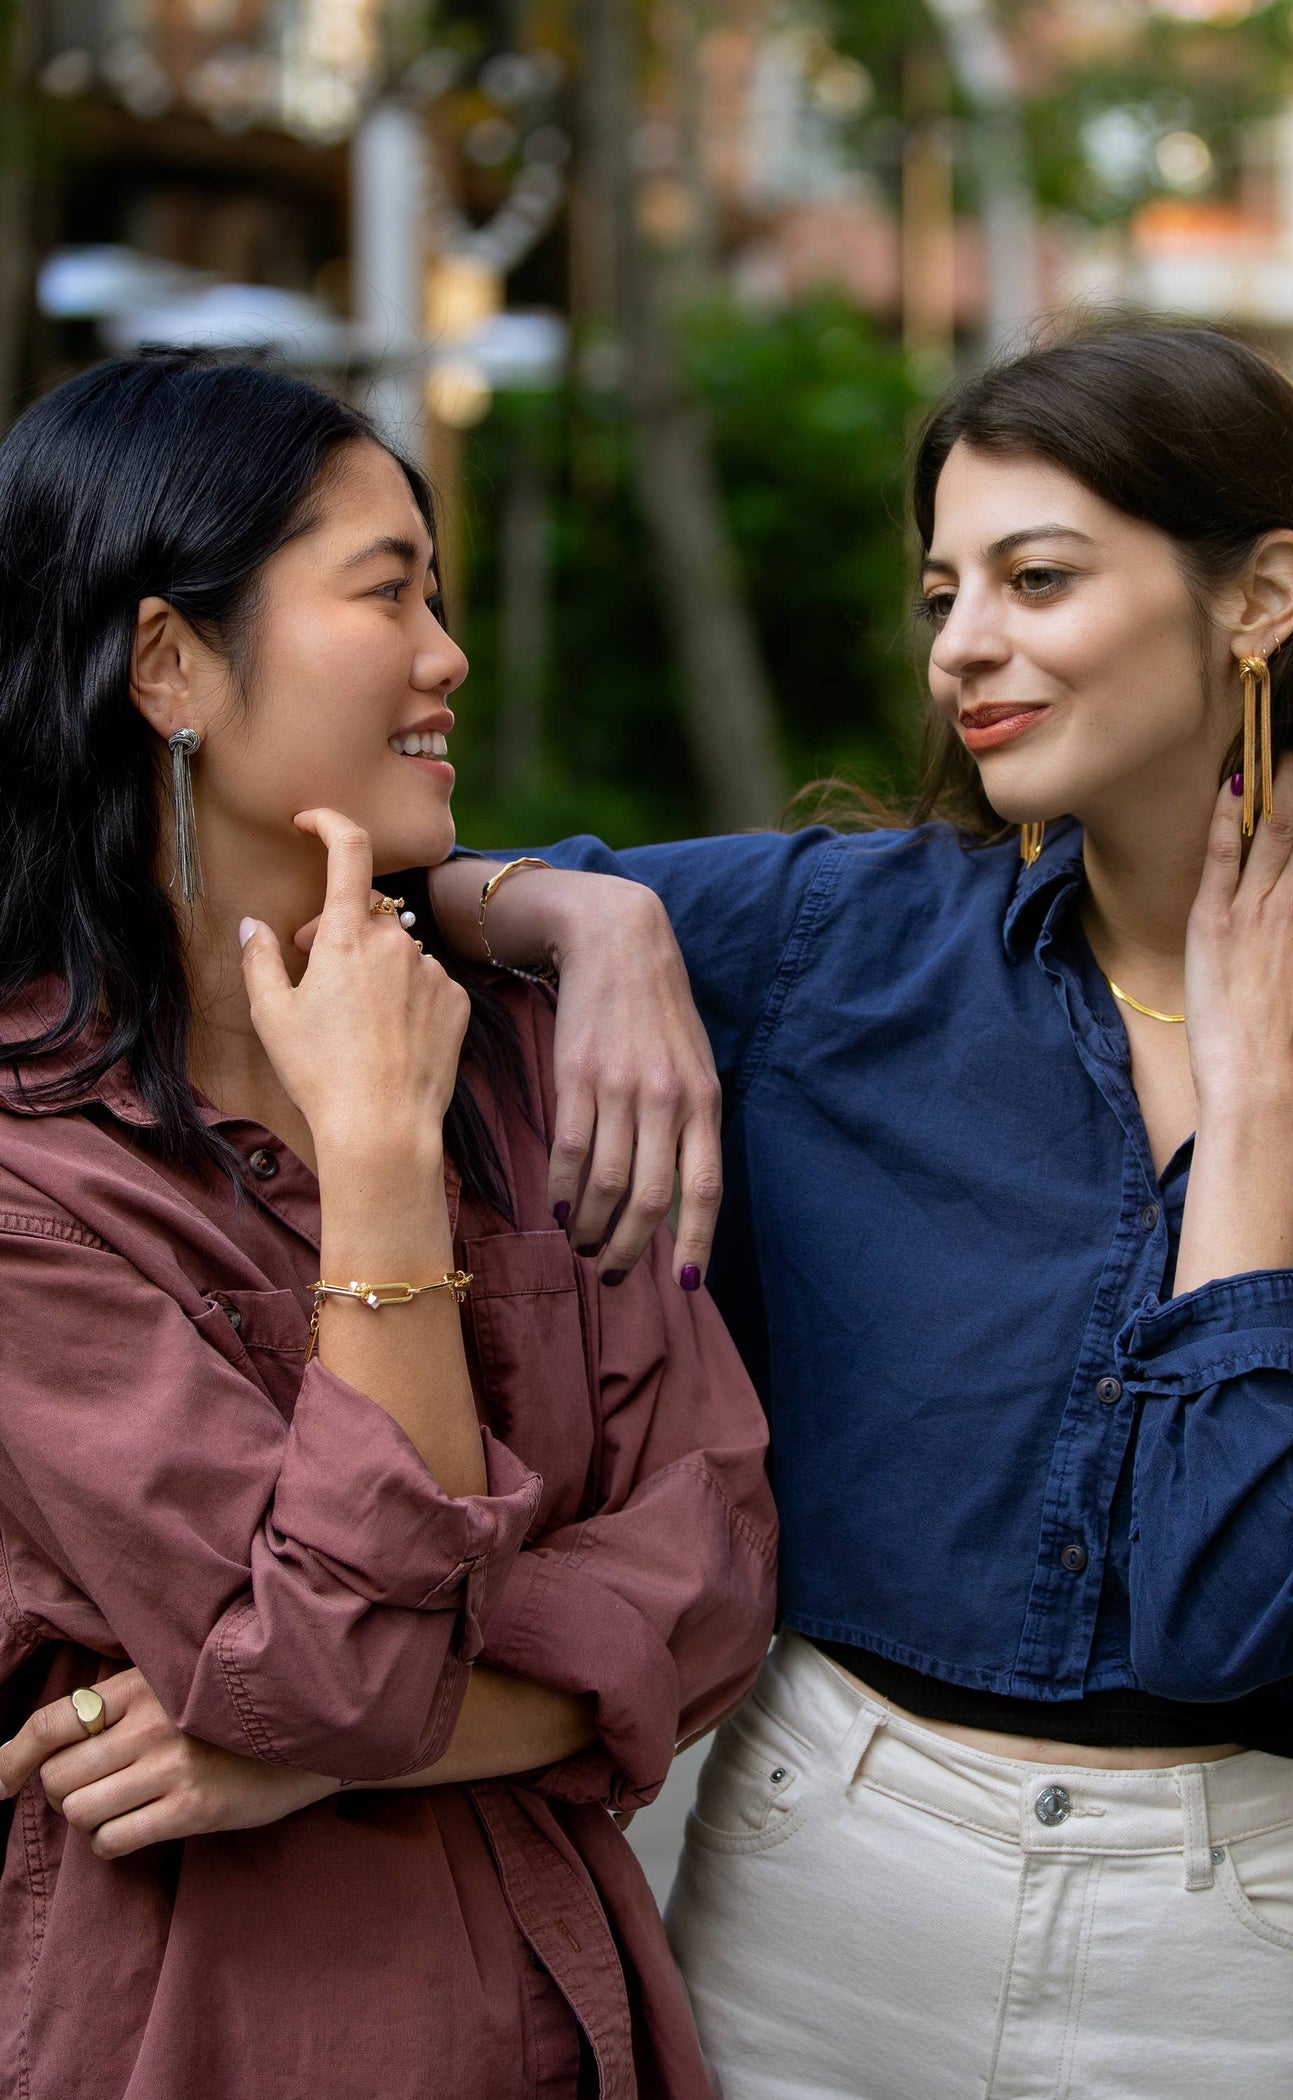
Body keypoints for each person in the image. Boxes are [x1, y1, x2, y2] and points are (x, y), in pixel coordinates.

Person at [15, 320, 1293, 2096]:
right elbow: (355, 898)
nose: (963, 642)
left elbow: (1224, 1607)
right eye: (942, 588)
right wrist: (596, 920)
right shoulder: (833, 946)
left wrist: (1263, 1108)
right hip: (827, 1885)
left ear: (1262, 595)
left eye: (1036, 577)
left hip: (1251, 1949)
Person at [0, 349, 777, 2100]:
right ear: (169, 665)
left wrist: (334, 1752)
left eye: (440, 592)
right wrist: (371, 1156)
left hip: (567, 2022)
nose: (448, 656)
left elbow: (717, 1562)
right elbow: (340, 1677)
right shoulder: (36, 1177)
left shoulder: (520, 1059)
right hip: (212, 2029)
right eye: (388, 592)